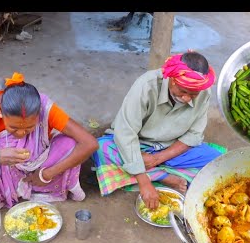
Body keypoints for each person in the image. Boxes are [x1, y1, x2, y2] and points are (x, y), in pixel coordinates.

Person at [0, 72, 99, 208]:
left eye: (29, 127)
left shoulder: (44, 107)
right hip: (3, 168)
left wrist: (47, 173)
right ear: (1, 113)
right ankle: (3, 192)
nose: (22, 133)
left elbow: (90, 143)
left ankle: (41, 186)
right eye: (14, 128)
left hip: (41, 166)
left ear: (39, 115)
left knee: (69, 142)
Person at [92, 51, 226, 210]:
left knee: (218, 162)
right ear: (171, 79)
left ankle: (147, 172)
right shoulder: (146, 86)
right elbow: (125, 133)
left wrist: (157, 159)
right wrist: (144, 181)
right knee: (101, 148)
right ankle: (164, 177)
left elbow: (193, 135)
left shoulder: (203, 91)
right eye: (183, 91)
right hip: (137, 144)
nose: (187, 98)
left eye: (193, 95)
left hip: (171, 148)